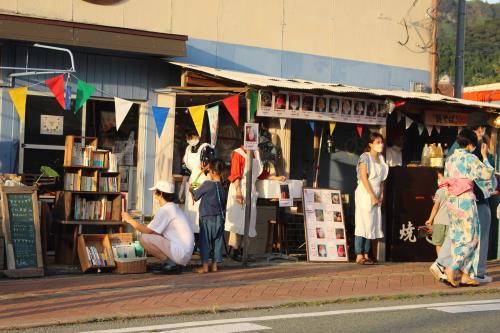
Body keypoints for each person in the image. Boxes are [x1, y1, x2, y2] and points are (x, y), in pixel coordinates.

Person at [441, 129, 495, 287]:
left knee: (458, 237)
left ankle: (465, 275)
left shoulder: (450, 159)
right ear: (471, 143)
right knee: (472, 238)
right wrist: (485, 157)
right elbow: (486, 175)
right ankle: (453, 268)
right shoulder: (470, 158)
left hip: (452, 200)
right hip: (465, 200)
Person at [225, 146, 285, 261]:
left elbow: (261, 173)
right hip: (240, 188)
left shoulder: (256, 153)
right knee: (238, 221)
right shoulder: (238, 153)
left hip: (251, 190)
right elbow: (235, 174)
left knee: (249, 221)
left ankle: (244, 251)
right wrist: (238, 192)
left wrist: (275, 178)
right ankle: (234, 250)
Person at [122, 180, 194, 274]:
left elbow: (147, 231)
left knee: (144, 239)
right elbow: (155, 231)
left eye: (155, 193)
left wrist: (130, 220)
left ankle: (170, 264)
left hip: (180, 253)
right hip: (183, 253)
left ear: (161, 194)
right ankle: (170, 263)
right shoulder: (173, 207)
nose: (154, 195)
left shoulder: (166, 210)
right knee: (150, 236)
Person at [354, 132, 388, 265]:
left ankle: (367, 254)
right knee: (362, 222)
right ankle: (359, 254)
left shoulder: (381, 158)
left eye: (381, 142)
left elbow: (382, 179)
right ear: (370, 144)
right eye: (377, 142)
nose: (380, 145)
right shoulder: (365, 157)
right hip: (365, 192)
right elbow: (363, 177)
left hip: (377, 192)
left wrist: (381, 194)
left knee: (372, 223)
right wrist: (372, 195)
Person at [190, 159, 227, 274]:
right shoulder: (223, 185)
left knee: (205, 242)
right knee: (217, 242)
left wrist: (191, 190)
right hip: (220, 218)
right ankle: (215, 266)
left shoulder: (207, 184)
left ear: (213, 171)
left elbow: (196, 196)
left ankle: (205, 267)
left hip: (207, 218)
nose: (208, 172)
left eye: (209, 170)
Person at [180, 132, 211, 234]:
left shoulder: (206, 148)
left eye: (191, 137)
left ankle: (200, 238)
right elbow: (186, 170)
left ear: (198, 135)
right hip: (191, 182)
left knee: (199, 211)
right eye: (188, 137)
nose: (189, 139)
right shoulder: (188, 149)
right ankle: (191, 236)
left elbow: (208, 169)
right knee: (190, 211)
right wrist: (182, 187)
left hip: (203, 181)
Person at [425, 169, 449, 256]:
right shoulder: (454, 190)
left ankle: (440, 263)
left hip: (439, 221)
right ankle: (448, 265)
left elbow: (435, 207)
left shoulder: (440, 191)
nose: (438, 180)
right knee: (449, 245)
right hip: (451, 222)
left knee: (438, 244)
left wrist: (430, 220)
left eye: (439, 177)